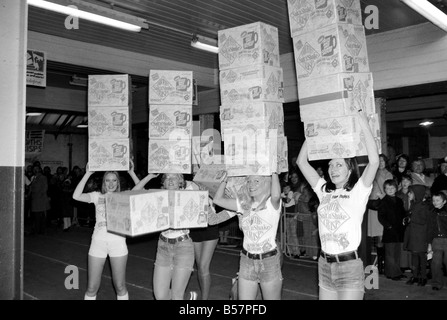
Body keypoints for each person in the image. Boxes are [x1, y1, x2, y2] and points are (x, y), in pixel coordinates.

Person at [296, 110, 379, 300]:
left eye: (339, 165)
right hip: (324, 264)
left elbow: (373, 162)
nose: (333, 169)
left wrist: (363, 124)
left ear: (350, 169)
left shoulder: (358, 191)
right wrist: (313, 130)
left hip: (349, 266)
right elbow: (301, 161)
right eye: (330, 165)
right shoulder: (323, 190)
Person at [72, 163, 139, 300]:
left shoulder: (124, 195)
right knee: (91, 288)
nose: (111, 183)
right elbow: (76, 196)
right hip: (98, 243)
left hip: (118, 244)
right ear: (104, 182)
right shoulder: (97, 196)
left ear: (118, 182)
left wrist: (132, 173)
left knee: (120, 286)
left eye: (114, 180)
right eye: (107, 180)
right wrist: (88, 173)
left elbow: (142, 191)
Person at [210, 173, 283, 300]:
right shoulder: (243, 205)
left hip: (268, 260)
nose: (251, 185)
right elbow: (217, 203)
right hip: (247, 260)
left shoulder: (271, 204)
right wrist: (224, 180)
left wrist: (273, 170)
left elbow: (276, 194)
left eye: (256, 181)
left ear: (266, 183)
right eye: (248, 181)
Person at [133, 173, 197, 300]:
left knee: (176, 295)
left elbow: (200, 184)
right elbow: (134, 193)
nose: (171, 180)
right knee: (160, 296)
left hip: (183, 246)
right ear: (163, 182)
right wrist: (149, 176)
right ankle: (188, 297)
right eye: (167, 177)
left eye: (175, 177)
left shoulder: (188, 193)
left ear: (181, 181)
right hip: (163, 246)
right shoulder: (158, 196)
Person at [376, 179, 407, 281]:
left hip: (399, 230)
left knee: (397, 253)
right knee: (390, 254)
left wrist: (405, 220)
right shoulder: (383, 201)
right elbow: (381, 217)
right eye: (387, 188)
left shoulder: (399, 200)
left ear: (396, 189)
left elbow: (403, 213)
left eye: (392, 188)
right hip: (390, 231)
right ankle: (392, 273)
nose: (390, 190)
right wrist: (388, 226)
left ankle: (397, 271)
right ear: (384, 189)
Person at [367, 154, 393, 272]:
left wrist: (383, 196)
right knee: (378, 237)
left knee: (383, 235)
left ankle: (384, 263)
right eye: (379, 160)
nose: (381, 162)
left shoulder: (388, 174)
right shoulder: (370, 172)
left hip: (384, 205)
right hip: (373, 206)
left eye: (383, 160)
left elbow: (390, 189)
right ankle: (380, 264)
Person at [403, 185, 430, 286]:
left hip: (421, 236)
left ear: (417, 194)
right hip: (413, 235)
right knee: (414, 256)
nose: (408, 194)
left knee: (421, 257)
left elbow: (424, 220)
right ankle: (415, 275)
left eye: (410, 192)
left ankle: (423, 277)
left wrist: (411, 219)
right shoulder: (414, 204)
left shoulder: (424, 206)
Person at [427, 191, 447, 291]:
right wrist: (429, 243)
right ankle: (436, 283)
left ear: (444, 201)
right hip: (436, 240)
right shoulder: (431, 212)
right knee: (436, 263)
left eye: (438, 200)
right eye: (433, 200)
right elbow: (429, 229)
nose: (435, 202)